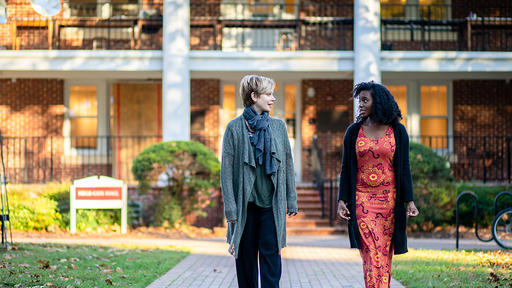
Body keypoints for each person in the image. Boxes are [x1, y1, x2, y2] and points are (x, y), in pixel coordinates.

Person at [337, 81, 419, 288]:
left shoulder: (398, 132)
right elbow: (346, 168)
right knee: (370, 251)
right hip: (362, 201)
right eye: (359, 101)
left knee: (384, 253)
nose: (361, 105)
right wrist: (342, 200)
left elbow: (404, 167)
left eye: (365, 100)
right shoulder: (354, 131)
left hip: (389, 202)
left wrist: (409, 200)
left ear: (378, 102)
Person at [221, 74, 298, 288]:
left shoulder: (279, 127)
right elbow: (226, 172)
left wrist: (291, 199)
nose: (274, 98)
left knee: (271, 259)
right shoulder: (234, 128)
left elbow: (288, 165)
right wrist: (231, 209)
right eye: (269, 94)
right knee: (245, 262)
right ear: (254, 96)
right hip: (245, 207)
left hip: (271, 206)